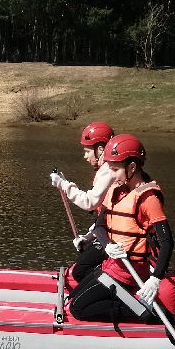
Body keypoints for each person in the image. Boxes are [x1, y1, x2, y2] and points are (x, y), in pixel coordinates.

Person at [67, 134, 175, 324]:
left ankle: (143, 313)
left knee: (77, 308)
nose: (112, 175)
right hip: (112, 266)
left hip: (130, 272)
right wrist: (106, 245)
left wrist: (156, 278)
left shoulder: (148, 199)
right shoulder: (117, 190)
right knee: (73, 297)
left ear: (132, 167)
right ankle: (120, 297)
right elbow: (101, 225)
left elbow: (167, 241)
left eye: (115, 169)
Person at [50, 121, 120, 284]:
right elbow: (104, 212)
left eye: (87, 151)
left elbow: (90, 202)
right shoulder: (108, 169)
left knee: (80, 271)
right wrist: (89, 237)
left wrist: (63, 185)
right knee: (82, 267)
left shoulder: (109, 170)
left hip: (115, 239)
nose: (85, 156)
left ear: (100, 150)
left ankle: (104, 295)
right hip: (108, 233)